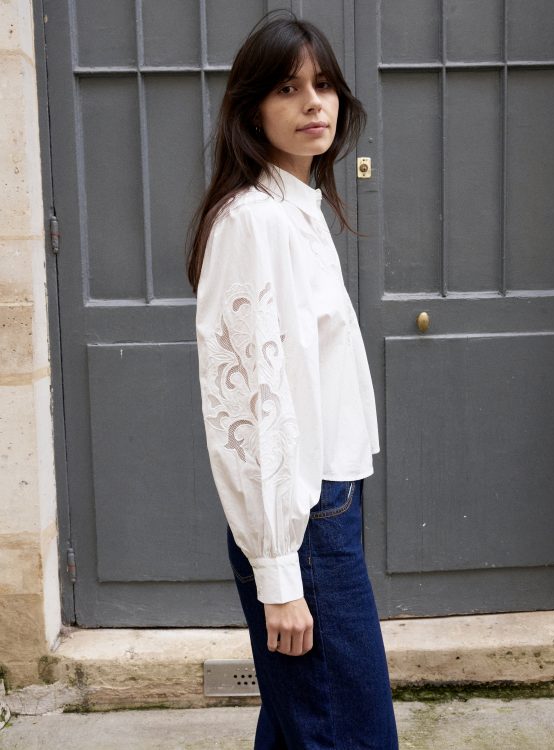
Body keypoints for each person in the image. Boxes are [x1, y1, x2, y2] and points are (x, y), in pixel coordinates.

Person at [186, 11, 399, 749]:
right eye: (287, 88)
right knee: (349, 732)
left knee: (303, 724)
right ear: (252, 110)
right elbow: (246, 404)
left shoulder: (299, 211)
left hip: (325, 503)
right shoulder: (255, 223)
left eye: (324, 85)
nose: (314, 103)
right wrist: (279, 572)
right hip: (305, 522)